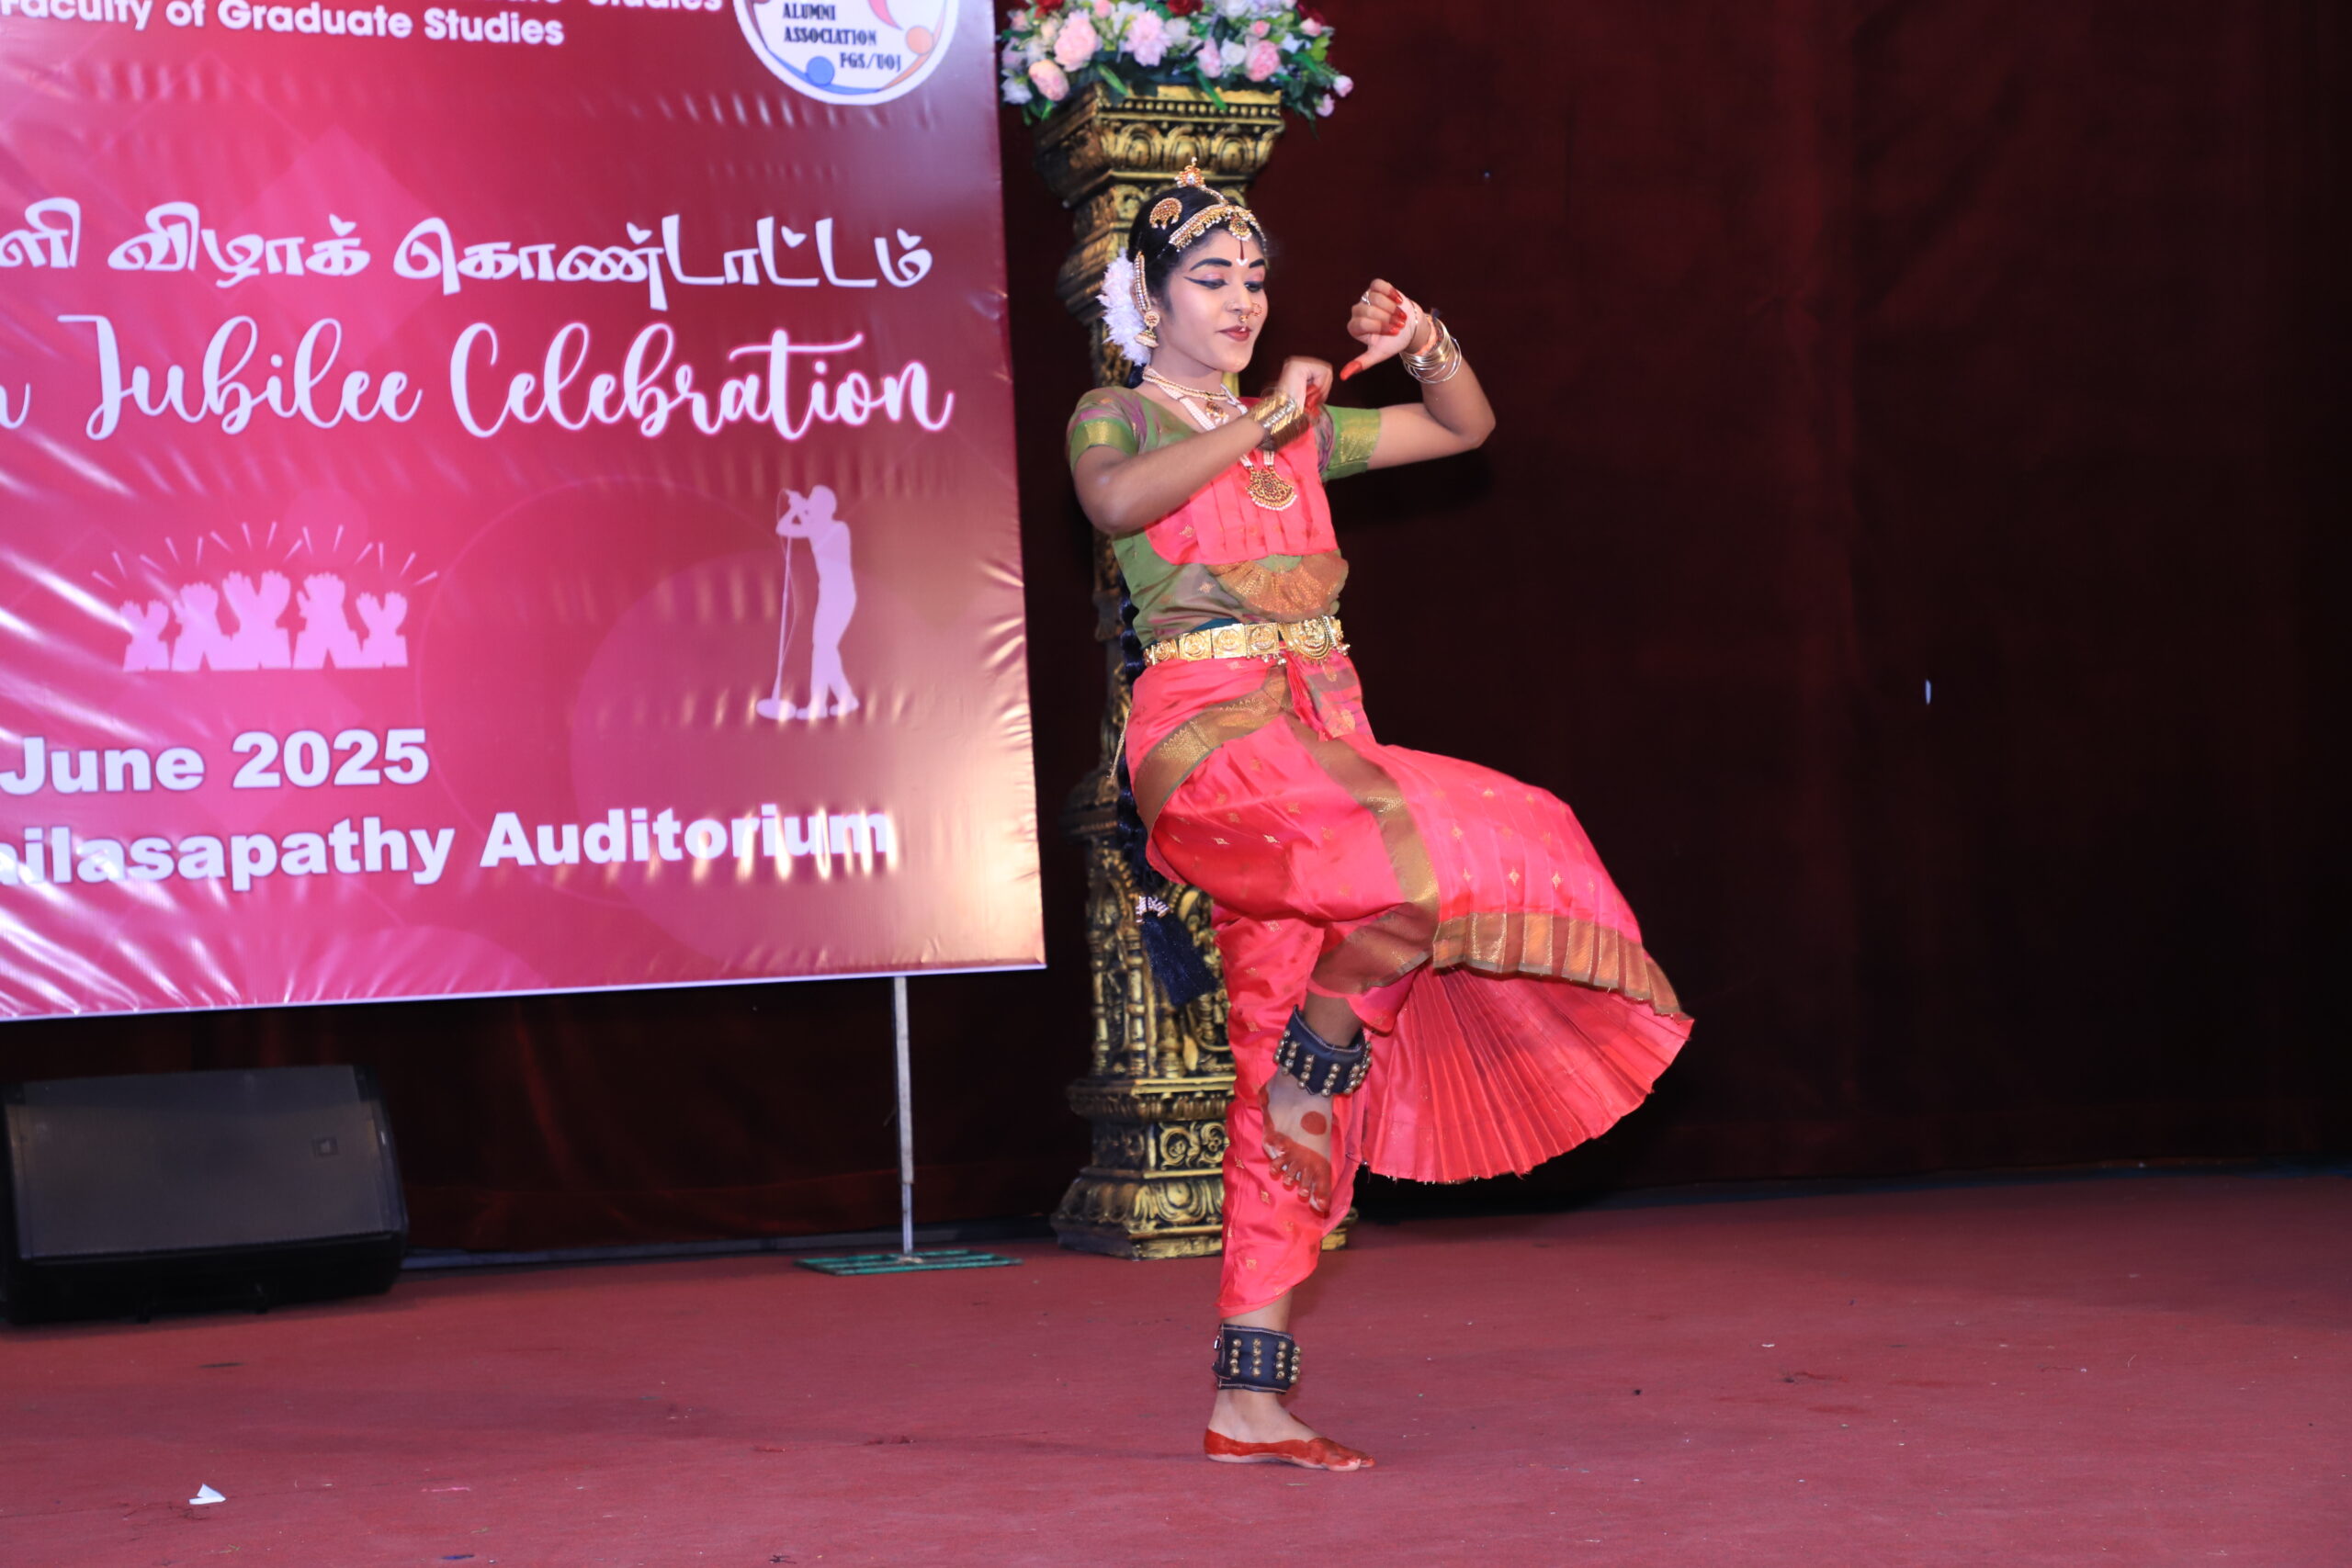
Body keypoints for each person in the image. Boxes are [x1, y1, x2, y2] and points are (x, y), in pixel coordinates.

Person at [1066, 163, 1693, 1473]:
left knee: (1283, 1090)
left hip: (1325, 743)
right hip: (1211, 745)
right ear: (1151, 298)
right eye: (1210, 279)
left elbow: (1466, 427)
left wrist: (1424, 339)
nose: (1242, 300)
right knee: (1438, 852)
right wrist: (1265, 418)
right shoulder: (1117, 413)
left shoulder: (1301, 429)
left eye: (1254, 278)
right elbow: (1115, 504)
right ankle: (1334, 1031)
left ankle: (1248, 1399)